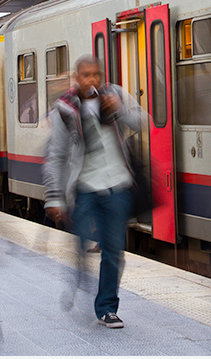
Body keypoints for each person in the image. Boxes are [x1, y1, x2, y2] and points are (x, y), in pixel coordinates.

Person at [43, 56, 145, 329]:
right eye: (86, 75)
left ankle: (107, 308)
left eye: (97, 75)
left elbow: (142, 121)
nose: (92, 80)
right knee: (81, 241)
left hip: (117, 185)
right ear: (77, 78)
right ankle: (77, 280)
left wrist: (121, 110)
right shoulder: (64, 108)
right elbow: (57, 154)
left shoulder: (115, 94)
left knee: (113, 251)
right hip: (85, 187)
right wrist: (54, 197)